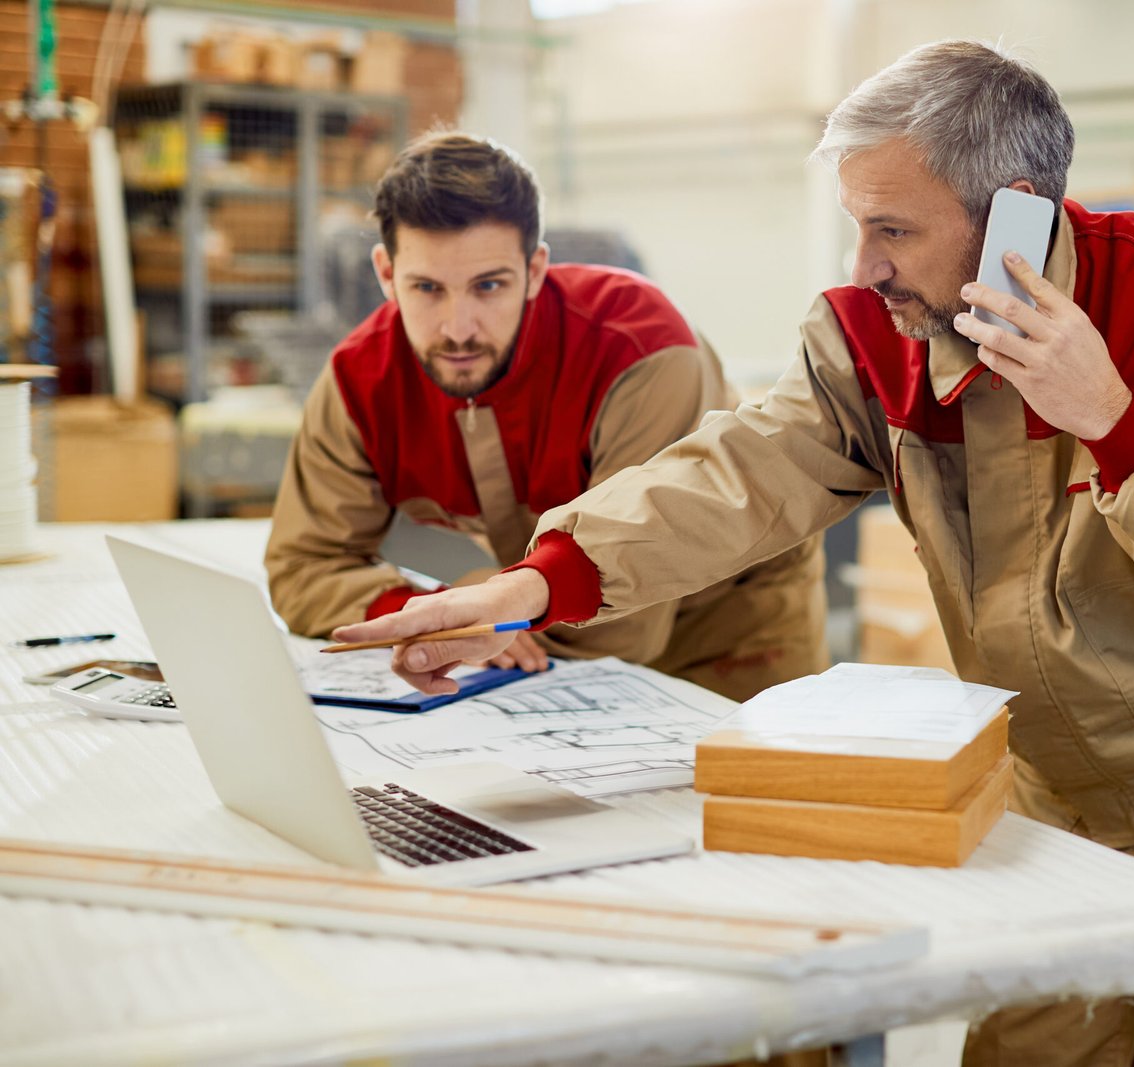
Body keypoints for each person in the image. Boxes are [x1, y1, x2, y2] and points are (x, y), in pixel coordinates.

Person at [333, 43, 1134, 1066]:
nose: (862, 263)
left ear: (1012, 212)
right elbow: (742, 471)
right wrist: (537, 578)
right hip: (1057, 780)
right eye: (855, 224)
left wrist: (1111, 419)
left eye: (891, 229)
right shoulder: (874, 331)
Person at [265, 131, 828, 702]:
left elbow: (624, 623)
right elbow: (302, 565)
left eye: (489, 285)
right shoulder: (361, 380)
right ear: (386, 274)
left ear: (535, 270)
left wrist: (488, 611)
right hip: (536, 627)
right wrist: (426, 615)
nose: (458, 328)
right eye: (428, 288)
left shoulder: (641, 351)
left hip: (727, 631)